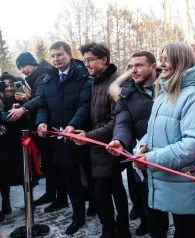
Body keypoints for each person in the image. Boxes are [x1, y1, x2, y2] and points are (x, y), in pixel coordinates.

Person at [131, 43, 195, 238]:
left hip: (184, 184)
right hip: (165, 180)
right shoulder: (164, 93)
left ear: (180, 60)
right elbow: (153, 130)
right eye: (161, 59)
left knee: (188, 232)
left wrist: (151, 159)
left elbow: (193, 144)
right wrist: (142, 147)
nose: (162, 64)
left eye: (166, 59)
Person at [107, 51, 168, 237]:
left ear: (152, 66)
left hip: (169, 155)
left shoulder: (169, 87)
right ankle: (151, 226)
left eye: (139, 65)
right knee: (148, 202)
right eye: (131, 66)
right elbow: (123, 122)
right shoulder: (127, 94)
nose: (133, 70)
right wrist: (119, 140)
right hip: (143, 158)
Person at [72, 42, 130, 238]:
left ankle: (110, 230)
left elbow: (117, 121)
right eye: (85, 60)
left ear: (104, 59)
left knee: (101, 194)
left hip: (109, 147)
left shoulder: (115, 83)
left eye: (90, 60)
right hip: (97, 148)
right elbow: (96, 115)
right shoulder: (96, 81)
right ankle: (122, 228)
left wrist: (88, 137)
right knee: (115, 188)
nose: (86, 64)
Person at [36, 41, 93, 235]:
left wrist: (74, 125)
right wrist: (41, 122)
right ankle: (78, 217)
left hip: (80, 136)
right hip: (59, 140)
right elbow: (43, 105)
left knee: (91, 178)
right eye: (52, 56)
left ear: (70, 55)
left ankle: (96, 207)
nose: (56, 59)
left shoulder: (83, 76)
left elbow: (85, 105)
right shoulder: (48, 79)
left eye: (60, 54)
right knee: (71, 181)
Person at [9, 52, 68, 210]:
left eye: (23, 66)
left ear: (33, 64)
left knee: (54, 165)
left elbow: (41, 99)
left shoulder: (43, 76)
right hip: (43, 126)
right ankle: (50, 193)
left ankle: (61, 198)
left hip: (49, 126)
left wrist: (24, 107)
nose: (22, 70)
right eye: (20, 68)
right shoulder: (38, 77)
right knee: (48, 164)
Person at [0, 73, 28, 219]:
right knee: (3, 175)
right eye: (6, 86)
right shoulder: (0, 101)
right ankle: (6, 204)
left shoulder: (22, 99)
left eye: (12, 85)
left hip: (20, 143)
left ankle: (28, 202)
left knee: (24, 174)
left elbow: (31, 117)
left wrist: (25, 102)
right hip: (3, 145)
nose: (9, 88)